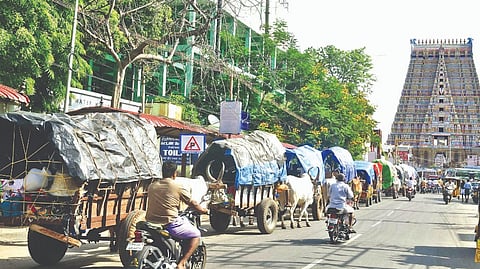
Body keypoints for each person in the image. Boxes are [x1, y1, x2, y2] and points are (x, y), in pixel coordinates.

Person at [146, 161, 208, 269]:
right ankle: (182, 263)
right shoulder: (177, 186)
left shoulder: (152, 186)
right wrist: (203, 210)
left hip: (150, 222)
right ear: (175, 173)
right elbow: (192, 202)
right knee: (196, 234)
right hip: (169, 223)